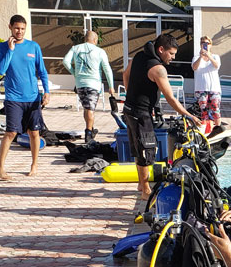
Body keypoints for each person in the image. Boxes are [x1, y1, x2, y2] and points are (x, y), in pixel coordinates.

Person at [121, 33, 199, 198]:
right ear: (161, 49)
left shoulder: (139, 56)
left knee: (137, 148)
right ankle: (145, 190)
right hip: (140, 113)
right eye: (171, 54)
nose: (173, 58)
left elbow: (125, 74)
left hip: (129, 110)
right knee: (146, 151)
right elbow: (170, 98)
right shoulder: (158, 69)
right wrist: (189, 115)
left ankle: (140, 185)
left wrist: (130, 95)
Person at [0, 14, 50, 180]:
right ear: (10, 27)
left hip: (32, 97)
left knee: (34, 132)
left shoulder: (33, 47)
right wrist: (10, 51)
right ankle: (0, 168)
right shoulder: (2, 47)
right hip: (13, 97)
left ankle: (34, 165)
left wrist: (46, 91)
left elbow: (42, 71)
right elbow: (0, 70)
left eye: (23, 29)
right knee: (11, 133)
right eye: (17, 28)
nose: (20, 31)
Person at [62, 30, 115, 142]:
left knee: (86, 107)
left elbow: (65, 61)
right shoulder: (100, 51)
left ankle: (90, 128)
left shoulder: (75, 48)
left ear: (85, 39)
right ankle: (88, 134)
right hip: (94, 83)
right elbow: (107, 69)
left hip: (80, 83)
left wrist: (75, 73)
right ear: (95, 40)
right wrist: (111, 86)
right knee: (90, 108)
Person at [191, 35, 222, 132]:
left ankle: (217, 129)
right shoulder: (196, 58)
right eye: (203, 43)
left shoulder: (215, 57)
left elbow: (216, 66)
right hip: (201, 88)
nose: (205, 45)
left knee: (215, 110)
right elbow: (194, 68)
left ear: (210, 45)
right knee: (203, 111)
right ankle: (205, 131)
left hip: (214, 88)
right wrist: (201, 57)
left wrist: (208, 56)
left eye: (207, 43)